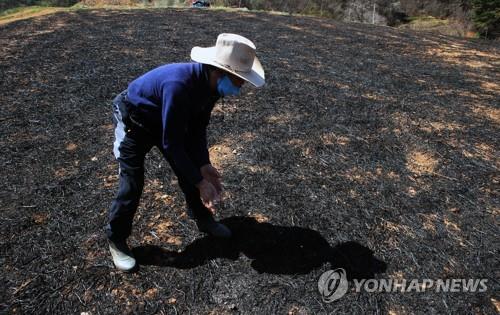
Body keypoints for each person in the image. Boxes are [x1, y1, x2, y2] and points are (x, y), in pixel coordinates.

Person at [106, 33, 265, 271]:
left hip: (166, 119)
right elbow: (172, 143)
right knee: (132, 183)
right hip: (135, 120)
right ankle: (116, 239)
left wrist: (203, 164)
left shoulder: (212, 88)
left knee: (190, 170)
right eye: (238, 81)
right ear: (219, 72)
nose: (240, 87)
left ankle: (203, 218)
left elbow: (197, 130)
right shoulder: (179, 85)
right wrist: (201, 182)